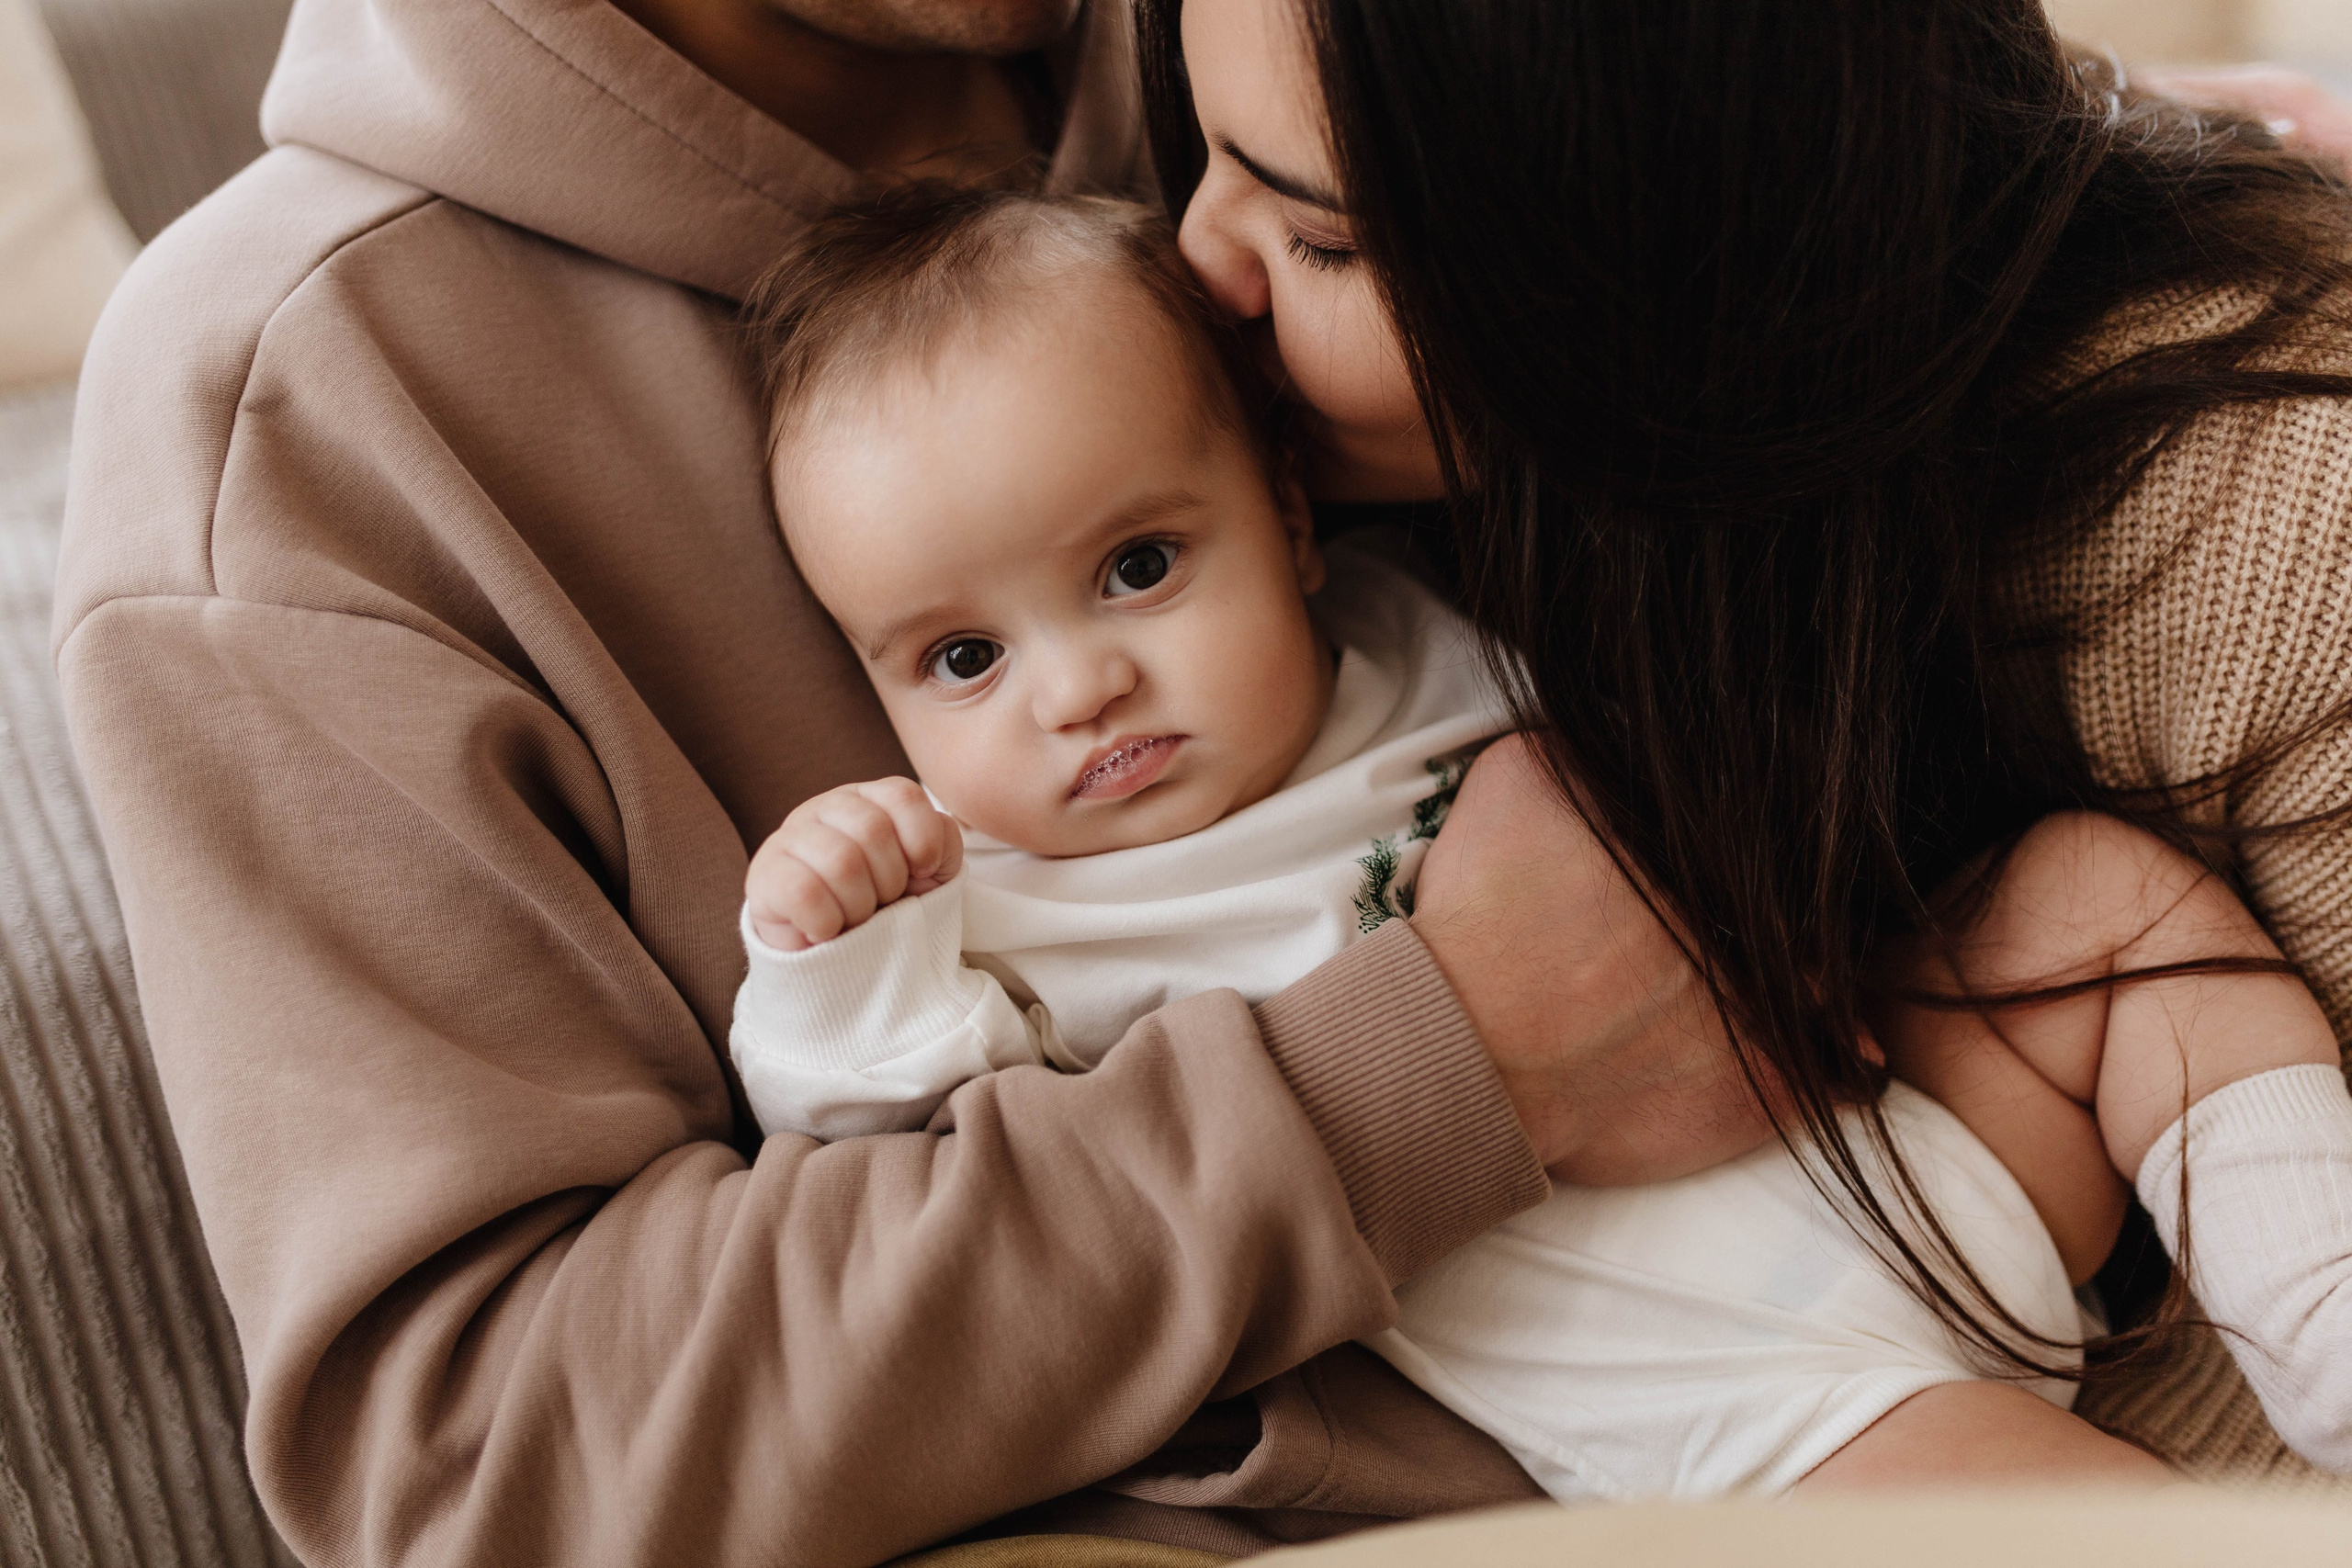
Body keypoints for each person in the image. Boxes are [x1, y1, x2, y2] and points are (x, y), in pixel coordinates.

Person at [51, 0, 1773, 1562]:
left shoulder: (1269, 62)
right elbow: (485, 1468)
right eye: (959, 657)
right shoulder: (294, 420)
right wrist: (1446, 1057)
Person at [732, 184, 2352, 1496]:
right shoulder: (994, 910)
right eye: (964, 659)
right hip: (1771, 1415)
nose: (1079, 687)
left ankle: (2322, 1320)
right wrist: (823, 946)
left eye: (1140, 567)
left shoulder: (1414, 625)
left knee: (2105, 908)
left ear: (1287, 517)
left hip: (1922, 1125)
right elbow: (864, 1125)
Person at [1148, 0, 2352, 1491]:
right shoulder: (1368, 505)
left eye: (1323, 240)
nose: (1193, 260)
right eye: (1202, 147)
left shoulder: (2270, 526)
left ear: (1667, 249)